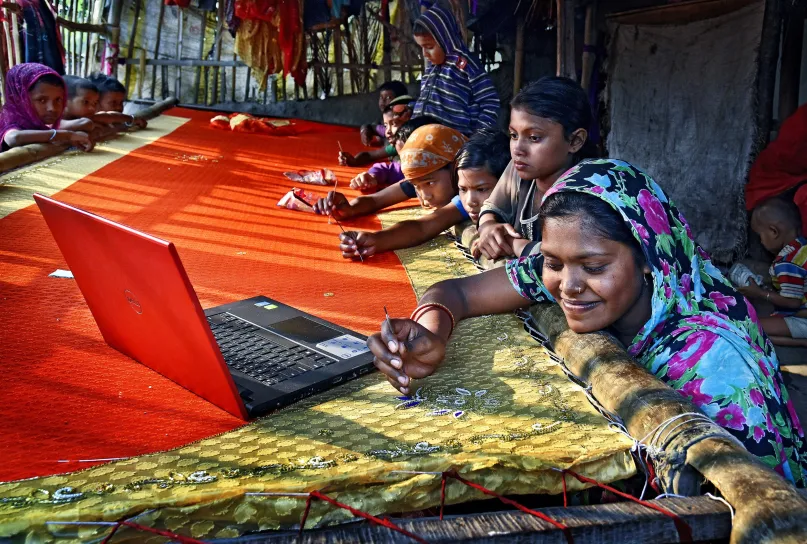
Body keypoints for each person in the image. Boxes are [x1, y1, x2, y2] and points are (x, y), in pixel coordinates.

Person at [368, 159, 807, 485]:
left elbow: (752, 500)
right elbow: (456, 292)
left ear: (648, 261)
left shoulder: (716, 366)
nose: (568, 287)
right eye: (554, 263)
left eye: (593, 267)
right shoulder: (573, 270)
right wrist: (430, 330)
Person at [476, 76, 598, 261]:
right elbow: (491, 208)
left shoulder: (587, 193)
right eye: (514, 135)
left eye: (534, 137)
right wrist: (487, 226)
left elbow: (559, 261)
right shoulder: (521, 170)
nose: (517, 149)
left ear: (575, 141)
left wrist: (513, 244)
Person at [339, 129, 509, 260]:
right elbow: (422, 227)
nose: (470, 201)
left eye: (481, 189)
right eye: (462, 189)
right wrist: (375, 239)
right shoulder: (463, 200)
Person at [315, 118, 450, 219]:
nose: (406, 169)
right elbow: (375, 200)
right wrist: (349, 209)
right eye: (403, 159)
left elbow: (425, 227)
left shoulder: (465, 185)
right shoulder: (416, 180)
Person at [411, 2, 499, 135]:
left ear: (445, 39)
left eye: (429, 47)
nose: (424, 54)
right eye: (421, 47)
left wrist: (479, 136)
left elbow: (490, 100)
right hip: (422, 136)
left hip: (451, 140)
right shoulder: (431, 69)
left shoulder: (465, 64)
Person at [741, 198, 807, 347]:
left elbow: (793, 302)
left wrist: (760, 293)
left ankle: (801, 343)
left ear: (773, 231)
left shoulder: (787, 262)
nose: (761, 242)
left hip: (803, 320)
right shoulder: (802, 247)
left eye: (760, 236)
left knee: (750, 327)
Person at [0, 63, 93, 151]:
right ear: (19, 99)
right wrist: (68, 135)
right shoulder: (10, 120)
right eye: (42, 100)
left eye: (58, 100)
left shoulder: (37, 125)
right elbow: (14, 138)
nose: (52, 108)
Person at [349, 115, 439, 192]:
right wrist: (372, 176)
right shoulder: (406, 168)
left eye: (395, 124)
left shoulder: (450, 180)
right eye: (402, 158)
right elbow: (387, 169)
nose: (404, 165)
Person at [360, 80, 408, 147]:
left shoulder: (406, 128)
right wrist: (364, 130)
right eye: (381, 97)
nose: (383, 101)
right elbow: (370, 127)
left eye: (388, 97)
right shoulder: (383, 127)